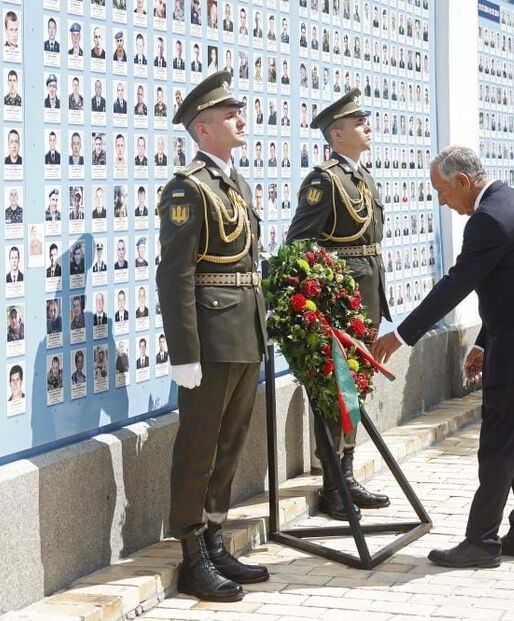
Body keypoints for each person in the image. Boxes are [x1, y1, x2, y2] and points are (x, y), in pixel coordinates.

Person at [371, 146, 514, 569]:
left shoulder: (488, 219)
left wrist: (400, 335)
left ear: (463, 181)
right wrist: (483, 341)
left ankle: (481, 542)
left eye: (443, 192)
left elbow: (457, 283)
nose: (443, 202)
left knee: (500, 446)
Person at [157, 70, 268, 602]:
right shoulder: (188, 187)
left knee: (230, 442)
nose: (240, 120)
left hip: (244, 328)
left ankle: (217, 536)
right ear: (203, 130)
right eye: (229, 115)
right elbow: (175, 274)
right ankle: (192, 552)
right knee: (199, 446)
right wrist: (184, 353)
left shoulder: (235, 181)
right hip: (210, 334)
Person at [286, 88, 390, 521]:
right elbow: (300, 244)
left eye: (365, 119)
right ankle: (333, 485)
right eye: (358, 122)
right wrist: (325, 301)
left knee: (355, 392)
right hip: (340, 305)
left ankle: (346, 475)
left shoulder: (362, 177)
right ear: (337, 133)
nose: (367, 126)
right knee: (333, 394)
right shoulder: (323, 181)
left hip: (365, 299)